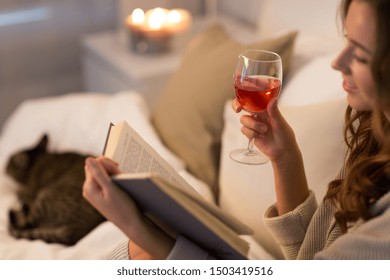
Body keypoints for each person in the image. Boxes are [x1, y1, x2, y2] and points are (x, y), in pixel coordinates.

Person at [82, 0, 390, 260]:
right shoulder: (376, 136)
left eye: (361, 54)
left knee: (140, 252)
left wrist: (139, 228)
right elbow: (309, 255)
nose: (338, 62)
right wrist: (285, 157)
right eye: (346, 40)